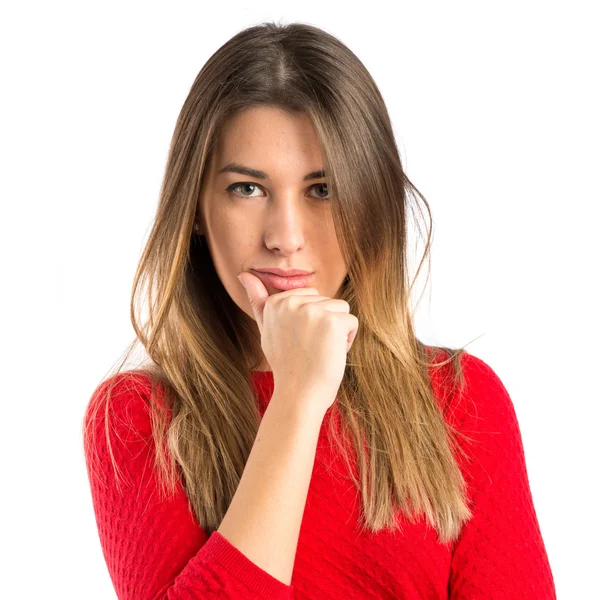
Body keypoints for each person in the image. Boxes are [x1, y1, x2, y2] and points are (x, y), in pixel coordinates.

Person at [82, 21, 556, 599]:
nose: (285, 236)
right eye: (247, 189)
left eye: (322, 189)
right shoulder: (138, 419)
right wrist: (298, 401)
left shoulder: (463, 404)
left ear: (370, 206)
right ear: (198, 211)